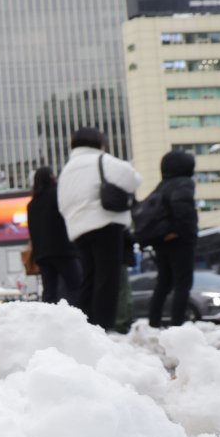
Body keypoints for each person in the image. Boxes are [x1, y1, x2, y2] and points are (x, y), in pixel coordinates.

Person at [56, 127, 142, 331]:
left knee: (89, 278)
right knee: (107, 279)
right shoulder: (102, 160)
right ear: (99, 143)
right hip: (105, 224)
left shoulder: (66, 170)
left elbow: (62, 204)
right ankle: (104, 326)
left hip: (78, 230)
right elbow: (134, 179)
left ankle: (88, 326)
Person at [147, 149, 199, 327]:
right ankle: (178, 324)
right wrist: (181, 231)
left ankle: (154, 322)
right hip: (179, 240)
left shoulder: (162, 185)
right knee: (182, 284)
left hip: (162, 241)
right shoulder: (183, 183)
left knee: (164, 283)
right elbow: (182, 208)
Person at [27, 166, 81, 304]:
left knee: (49, 291)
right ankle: (78, 316)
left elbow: (32, 231)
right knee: (76, 285)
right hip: (64, 250)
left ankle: (49, 319)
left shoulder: (32, 204)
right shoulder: (58, 195)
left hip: (42, 255)